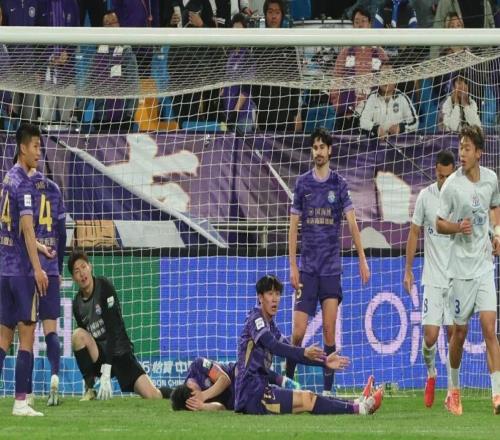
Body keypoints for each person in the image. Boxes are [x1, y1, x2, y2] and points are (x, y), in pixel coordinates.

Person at [287, 127, 370, 395]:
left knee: (329, 332)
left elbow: (352, 223)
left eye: (322, 147)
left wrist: (362, 258)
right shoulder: (302, 184)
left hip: (331, 270)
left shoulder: (339, 184)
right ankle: (287, 383)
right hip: (308, 270)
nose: (318, 152)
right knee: (298, 333)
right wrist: (292, 265)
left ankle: (327, 392)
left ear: (330, 150)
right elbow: (293, 226)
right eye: (315, 147)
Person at [235, 274, 383, 415]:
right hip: (251, 394)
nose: (275, 299)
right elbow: (274, 346)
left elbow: (293, 351)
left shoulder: (270, 325)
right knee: (308, 399)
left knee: (308, 396)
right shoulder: (256, 319)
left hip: (260, 388)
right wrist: (303, 352)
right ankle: (361, 409)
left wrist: (324, 362)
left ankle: (357, 403)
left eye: (277, 294)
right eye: (270, 294)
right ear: (260, 297)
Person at [436, 125, 500, 415]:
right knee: (459, 333)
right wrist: (456, 227)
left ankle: (497, 395)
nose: (461, 153)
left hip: (484, 265)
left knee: (489, 328)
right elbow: (439, 223)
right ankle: (453, 390)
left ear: (479, 153)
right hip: (460, 271)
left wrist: (497, 233)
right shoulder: (452, 185)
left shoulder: (491, 179)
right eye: (460, 147)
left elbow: (495, 207)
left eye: (467, 148)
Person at [68, 249, 170, 401]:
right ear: (73, 277)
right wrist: (98, 372)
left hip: (120, 352)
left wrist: (107, 370)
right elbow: (85, 342)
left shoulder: (104, 286)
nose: (82, 273)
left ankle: (177, 395)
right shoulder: (77, 304)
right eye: (77, 271)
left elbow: (113, 329)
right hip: (100, 356)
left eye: (84, 267)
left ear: (90, 267)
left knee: (153, 396)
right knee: (77, 335)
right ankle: (89, 389)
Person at [0, 123, 49, 416]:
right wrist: (38, 269)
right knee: (27, 336)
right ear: (22, 148)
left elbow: (13, 229)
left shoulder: (7, 179)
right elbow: (29, 230)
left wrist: (38, 247)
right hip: (21, 272)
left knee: (3, 338)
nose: (39, 153)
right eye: (35, 147)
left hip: (4, 269)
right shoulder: (25, 184)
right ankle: (21, 401)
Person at [403, 149, 456, 408]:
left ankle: (452, 390)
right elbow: (414, 232)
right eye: (440, 176)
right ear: (435, 171)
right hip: (433, 278)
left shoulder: (460, 197)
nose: (443, 181)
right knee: (431, 336)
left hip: (456, 278)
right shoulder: (425, 196)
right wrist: (408, 269)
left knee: (454, 334)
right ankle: (431, 373)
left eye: (447, 176)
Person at [30, 170, 67, 406]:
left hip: (28, 268)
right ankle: (55, 375)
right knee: (50, 331)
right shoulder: (54, 188)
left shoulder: (22, 187)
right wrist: (59, 267)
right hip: (51, 268)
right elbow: (62, 233)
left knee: (26, 333)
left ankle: (26, 391)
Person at [330, 6, 388, 131]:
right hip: (348, 115)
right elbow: (335, 83)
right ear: (353, 26)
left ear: (370, 24)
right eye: (356, 22)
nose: (360, 25)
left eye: (363, 21)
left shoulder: (380, 53)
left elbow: (388, 83)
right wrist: (341, 107)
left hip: (374, 114)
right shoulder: (345, 53)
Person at [170, 357, 301, 411]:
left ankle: (283, 381)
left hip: (234, 375)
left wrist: (203, 395)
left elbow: (224, 379)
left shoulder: (198, 365)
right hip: (234, 399)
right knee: (263, 397)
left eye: (196, 396)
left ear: (191, 386)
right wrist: (203, 406)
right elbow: (220, 407)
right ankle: (290, 394)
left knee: (244, 369)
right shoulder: (192, 399)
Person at [359, 64, 419, 138]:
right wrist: (376, 129)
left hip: (397, 143)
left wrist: (401, 128)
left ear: (395, 80)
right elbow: (363, 121)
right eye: (382, 77)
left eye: (389, 76)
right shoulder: (372, 98)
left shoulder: (402, 98)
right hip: (376, 143)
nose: (385, 80)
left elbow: (415, 122)